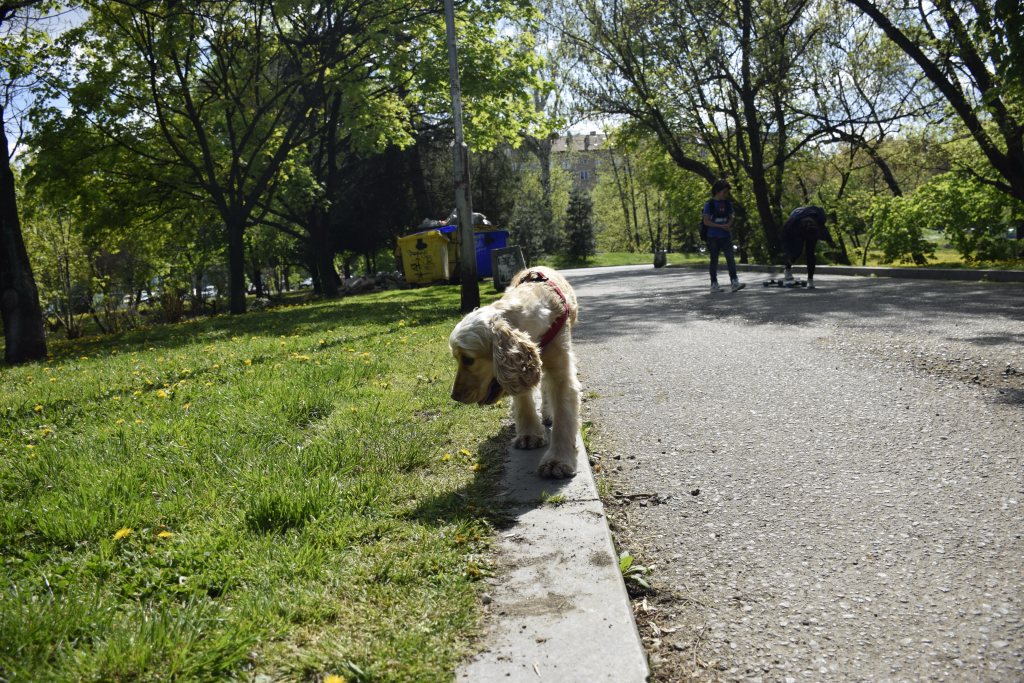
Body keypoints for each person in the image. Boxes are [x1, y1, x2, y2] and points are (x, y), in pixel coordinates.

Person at [703, 180, 744, 292]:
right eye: (724, 192)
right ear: (717, 191)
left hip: (726, 236)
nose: (726, 195)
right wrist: (720, 226)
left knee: (730, 259)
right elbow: (706, 222)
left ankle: (734, 281)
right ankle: (714, 283)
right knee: (714, 260)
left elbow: (731, 217)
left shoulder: (727, 204)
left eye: (727, 192)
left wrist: (728, 224)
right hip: (713, 236)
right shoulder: (709, 204)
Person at [779, 206, 833, 289]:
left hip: (813, 226)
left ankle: (810, 279)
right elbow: (784, 239)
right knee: (798, 250)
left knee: (810, 252)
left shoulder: (819, 219)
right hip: (797, 220)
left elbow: (822, 229)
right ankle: (787, 269)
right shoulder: (791, 224)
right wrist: (789, 254)